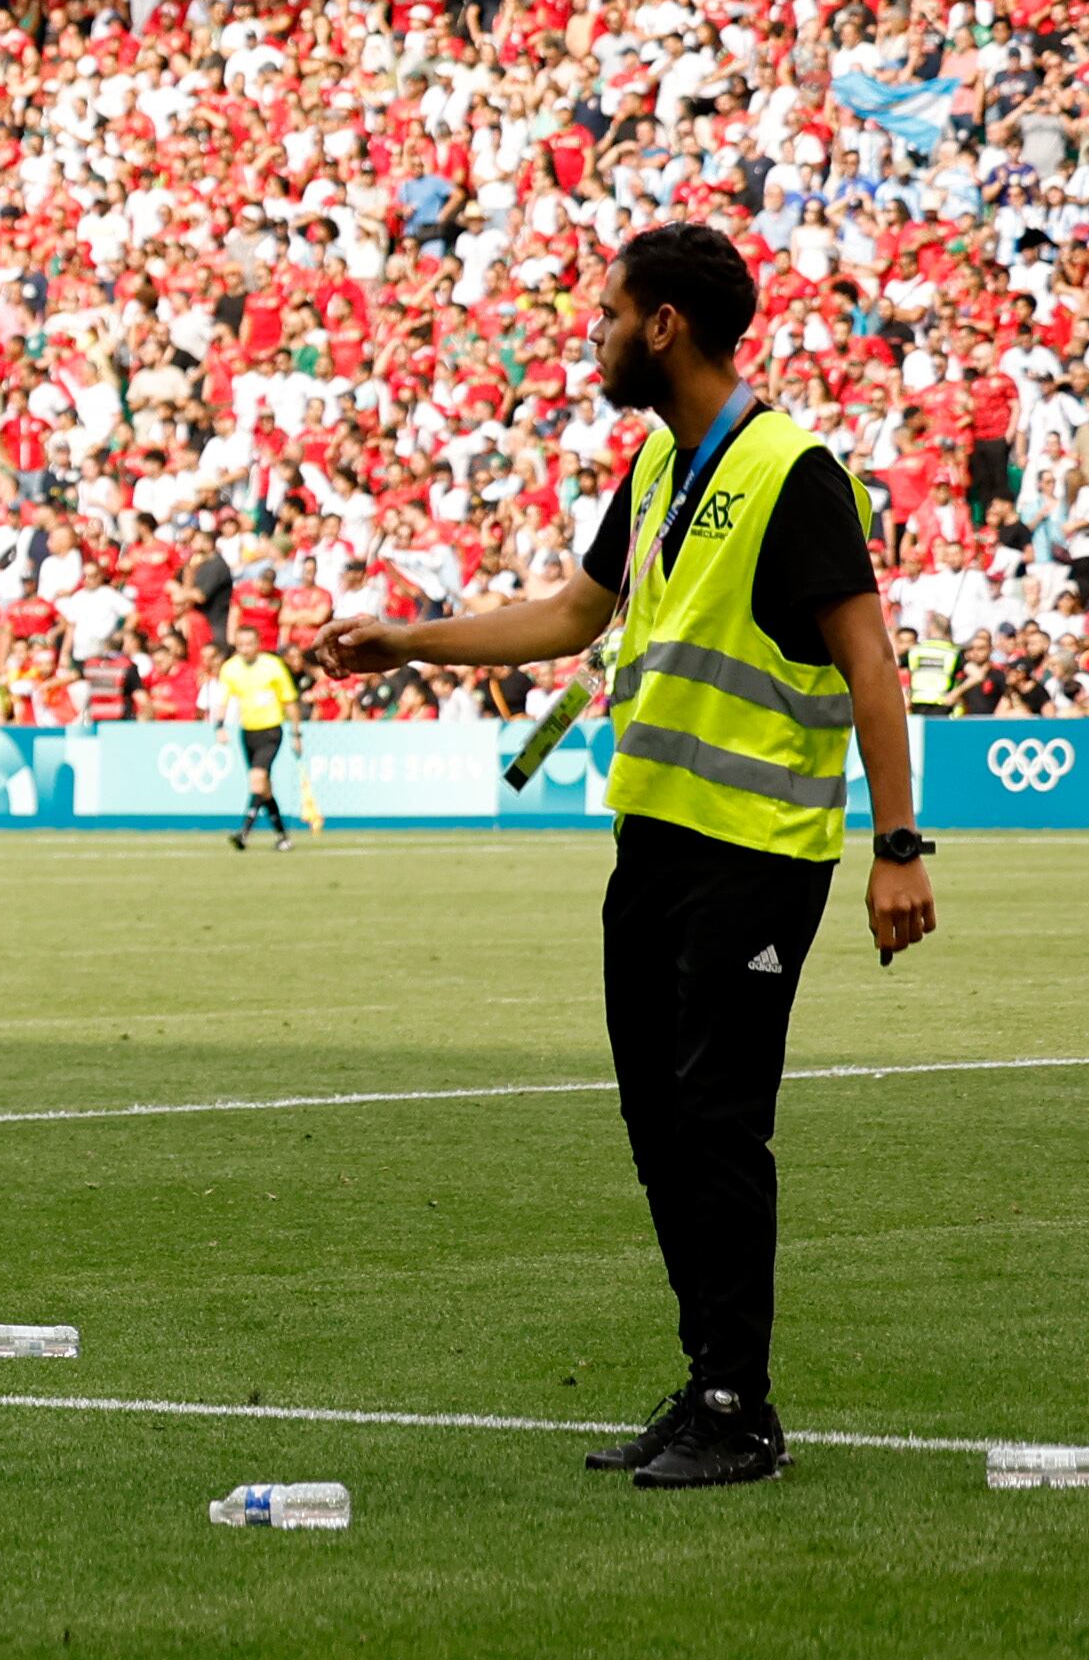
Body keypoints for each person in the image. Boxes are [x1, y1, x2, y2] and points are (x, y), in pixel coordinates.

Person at [311, 223, 939, 1491]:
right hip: (650, 850)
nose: (593, 333)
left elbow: (871, 659)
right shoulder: (658, 468)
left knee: (716, 1123)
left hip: (756, 854)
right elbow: (572, 614)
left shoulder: (790, 467)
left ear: (663, 326)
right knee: (659, 1124)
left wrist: (896, 846)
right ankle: (704, 1374)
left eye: (608, 312)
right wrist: (408, 640)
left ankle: (737, 1406)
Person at [215, 632, 300, 847]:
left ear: (258, 644)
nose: (245, 648)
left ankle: (244, 832)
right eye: (240, 644)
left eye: (249, 644)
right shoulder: (230, 668)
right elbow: (222, 699)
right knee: (264, 787)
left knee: (257, 779)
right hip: (248, 731)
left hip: (270, 730)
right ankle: (282, 837)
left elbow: (289, 701)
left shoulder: (273, 666)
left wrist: (296, 733)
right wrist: (219, 726)